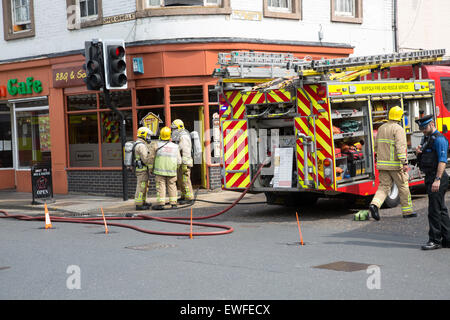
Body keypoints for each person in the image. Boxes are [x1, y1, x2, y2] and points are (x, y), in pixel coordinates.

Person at [369, 106, 416, 220]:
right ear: (399, 116)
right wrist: (404, 162)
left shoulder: (381, 128)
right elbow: (400, 147)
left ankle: (374, 204)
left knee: (384, 187)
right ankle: (407, 212)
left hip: (382, 165)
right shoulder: (398, 129)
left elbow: (376, 146)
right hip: (395, 166)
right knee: (403, 186)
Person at [415, 115, 450, 250]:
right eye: (421, 128)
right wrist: (418, 153)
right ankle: (447, 239)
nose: (422, 130)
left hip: (437, 178)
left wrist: (437, 180)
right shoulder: (427, 138)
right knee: (441, 210)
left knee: (434, 210)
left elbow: (442, 161)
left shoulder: (439, 139)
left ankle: (435, 240)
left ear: (432, 124)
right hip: (431, 177)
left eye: (424, 127)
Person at [148, 126, 182, 210]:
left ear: (160, 135)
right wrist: (175, 168)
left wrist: (151, 169)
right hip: (172, 171)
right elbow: (179, 161)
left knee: (161, 187)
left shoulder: (156, 145)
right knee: (172, 186)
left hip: (160, 171)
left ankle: (161, 204)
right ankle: (173, 204)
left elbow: (151, 158)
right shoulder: (175, 146)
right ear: (169, 136)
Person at [171, 119, 194, 204]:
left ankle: (189, 198)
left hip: (185, 162)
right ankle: (184, 196)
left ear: (179, 127)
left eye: (174, 128)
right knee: (180, 180)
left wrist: (184, 164)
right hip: (180, 162)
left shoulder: (183, 136)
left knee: (185, 180)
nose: (173, 130)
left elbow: (186, 151)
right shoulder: (179, 135)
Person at [134, 127, 153, 210]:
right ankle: (139, 204)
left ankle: (143, 202)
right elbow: (145, 159)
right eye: (148, 135)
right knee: (141, 187)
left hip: (141, 169)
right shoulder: (141, 145)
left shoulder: (138, 143)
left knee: (144, 186)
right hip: (142, 170)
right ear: (143, 135)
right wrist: (151, 157)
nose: (149, 137)